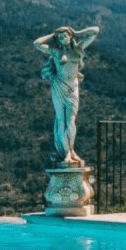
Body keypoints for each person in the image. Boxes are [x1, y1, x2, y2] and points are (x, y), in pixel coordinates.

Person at [33, 25, 99, 167]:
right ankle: (66, 153)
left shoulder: (78, 50)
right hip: (59, 85)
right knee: (61, 120)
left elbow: (95, 31)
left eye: (65, 36)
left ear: (70, 36)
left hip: (73, 86)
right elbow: (37, 43)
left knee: (71, 121)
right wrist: (53, 34)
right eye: (60, 37)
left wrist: (76, 32)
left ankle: (71, 149)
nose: (63, 39)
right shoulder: (55, 52)